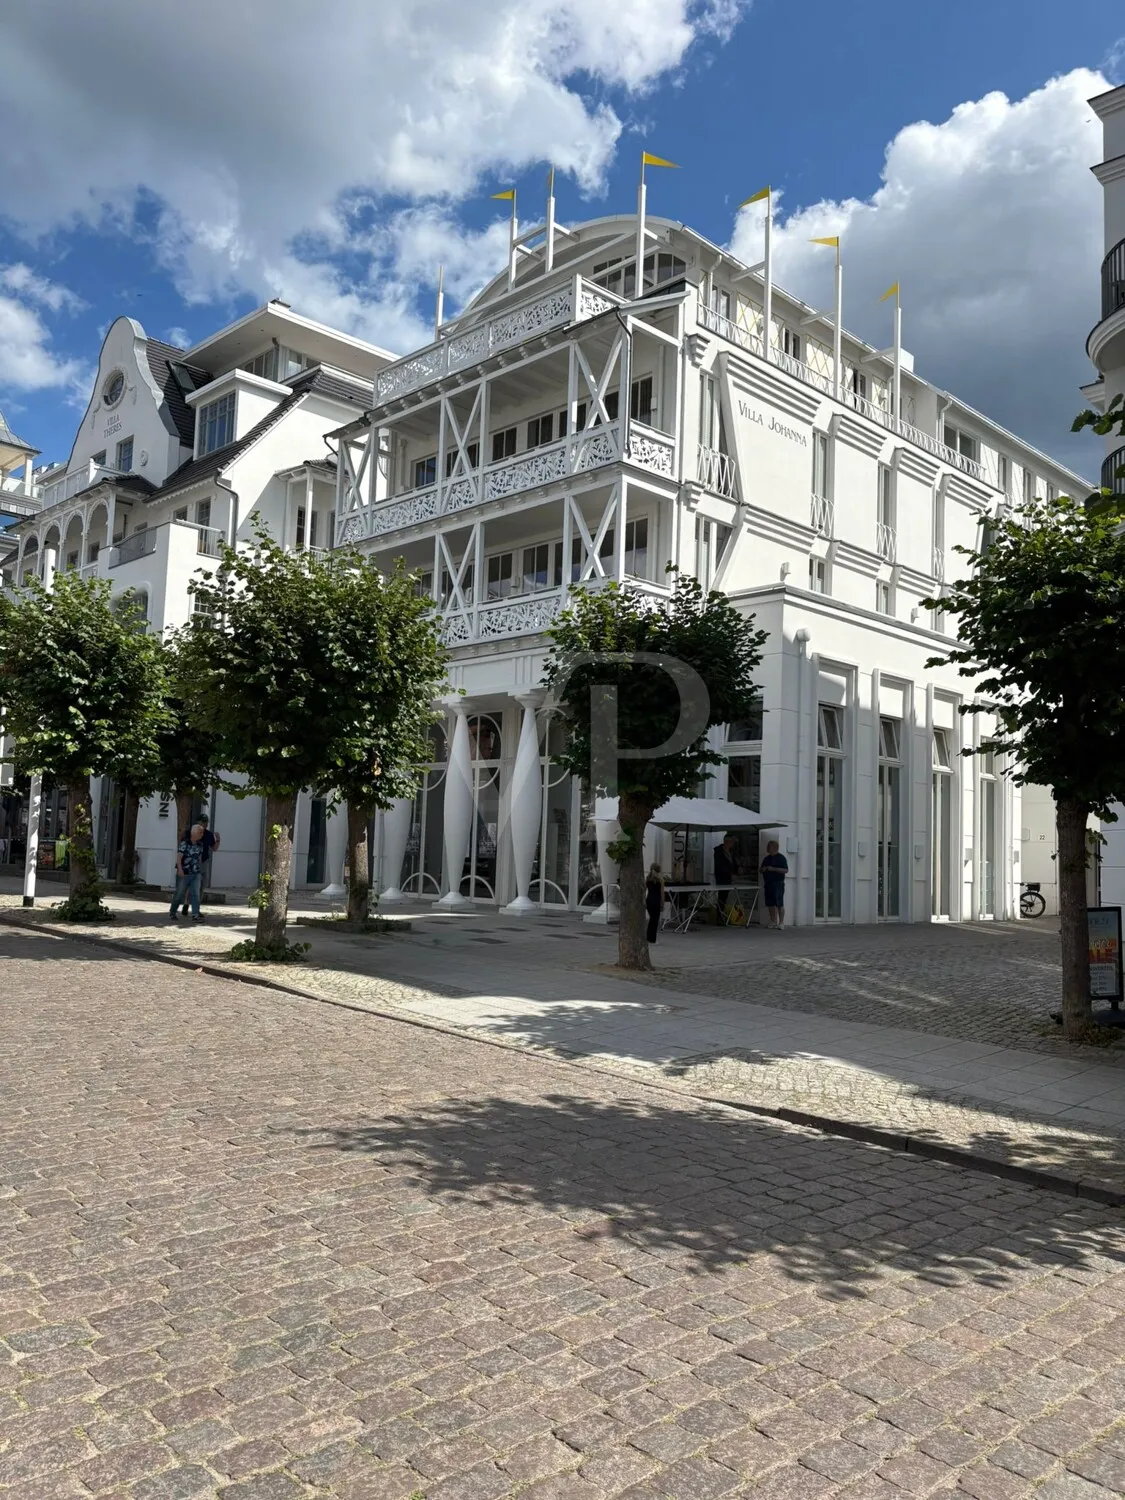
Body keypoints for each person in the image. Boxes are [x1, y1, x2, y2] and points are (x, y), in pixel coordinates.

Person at [179, 811, 219, 915]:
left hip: (203, 862)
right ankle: (186, 904)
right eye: (202, 822)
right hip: (192, 862)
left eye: (206, 822)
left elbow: (214, 848)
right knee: (191, 885)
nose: (204, 824)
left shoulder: (209, 834)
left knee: (200, 886)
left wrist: (218, 840)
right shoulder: (190, 832)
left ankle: (195, 908)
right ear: (198, 822)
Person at [170, 823, 206, 922]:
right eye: (200, 832)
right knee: (179, 893)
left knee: (195, 894)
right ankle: (172, 912)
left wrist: (199, 868)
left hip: (195, 872)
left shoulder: (200, 845)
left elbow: (199, 858)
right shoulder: (185, 843)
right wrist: (180, 869)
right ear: (194, 833)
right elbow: (179, 857)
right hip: (185, 872)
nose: (202, 834)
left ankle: (195, 914)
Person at [760, 839, 789, 929]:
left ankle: (781, 922)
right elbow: (760, 869)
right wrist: (763, 869)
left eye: (770, 847)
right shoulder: (766, 858)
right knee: (770, 903)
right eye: (768, 846)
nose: (768, 848)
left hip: (778, 883)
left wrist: (774, 869)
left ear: (775, 847)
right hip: (768, 882)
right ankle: (773, 920)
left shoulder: (781, 858)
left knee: (779, 902)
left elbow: (786, 870)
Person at [713, 832, 738, 916]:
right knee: (722, 896)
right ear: (726, 842)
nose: (732, 844)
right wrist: (729, 874)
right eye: (731, 842)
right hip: (722, 877)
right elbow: (719, 866)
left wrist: (737, 871)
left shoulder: (732, 852)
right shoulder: (719, 852)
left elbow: (733, 863)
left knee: (727, 896)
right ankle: (720, 915)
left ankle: (726, 914)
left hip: (730, 878)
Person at [645, 863, 666, 944]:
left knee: (651, 919)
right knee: (655, 921)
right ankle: (652, 939)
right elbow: (662, 894)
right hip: (656, 901)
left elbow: (644, 889)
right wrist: (662, 904)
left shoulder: (648, 879)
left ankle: (648, 937)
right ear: (659, 870)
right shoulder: (661, 880)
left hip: (649, 900)